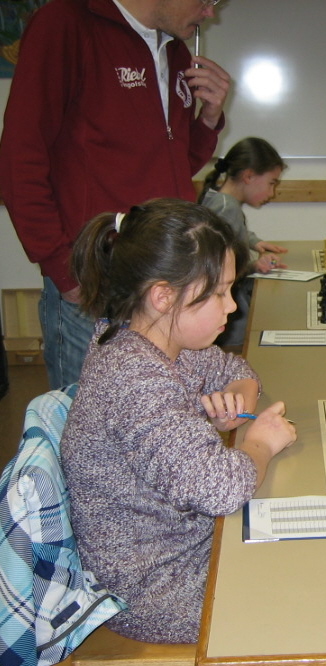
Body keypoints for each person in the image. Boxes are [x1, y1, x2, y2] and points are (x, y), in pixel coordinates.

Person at [59, 199, 326, 666]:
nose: (233, 305)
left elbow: (236, 370)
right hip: (150, 585)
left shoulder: (150, 344)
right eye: (219, 293)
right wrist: (257, 442)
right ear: (163, 296)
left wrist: (235, 404)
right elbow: (222, 488)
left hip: (177, 547)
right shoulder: (136, 378)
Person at [0, 0, 231, 390]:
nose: (210, 13)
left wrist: (208, 119)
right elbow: (19, 158)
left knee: (159, 410)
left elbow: (175, 164)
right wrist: (63, 268)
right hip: (94, 279)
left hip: (164, 276)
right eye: (206, 0)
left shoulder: (174, 51)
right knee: (90, 419)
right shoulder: (67, 24)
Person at [198, 136, 289, 347]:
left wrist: (254, 242)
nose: (272, 193)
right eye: (271, 183)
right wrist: (254, 265)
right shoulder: (226, 208)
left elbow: (229, 233)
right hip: (230, 321)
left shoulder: (219, 200)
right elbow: (218, 266)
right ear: (248, 176)